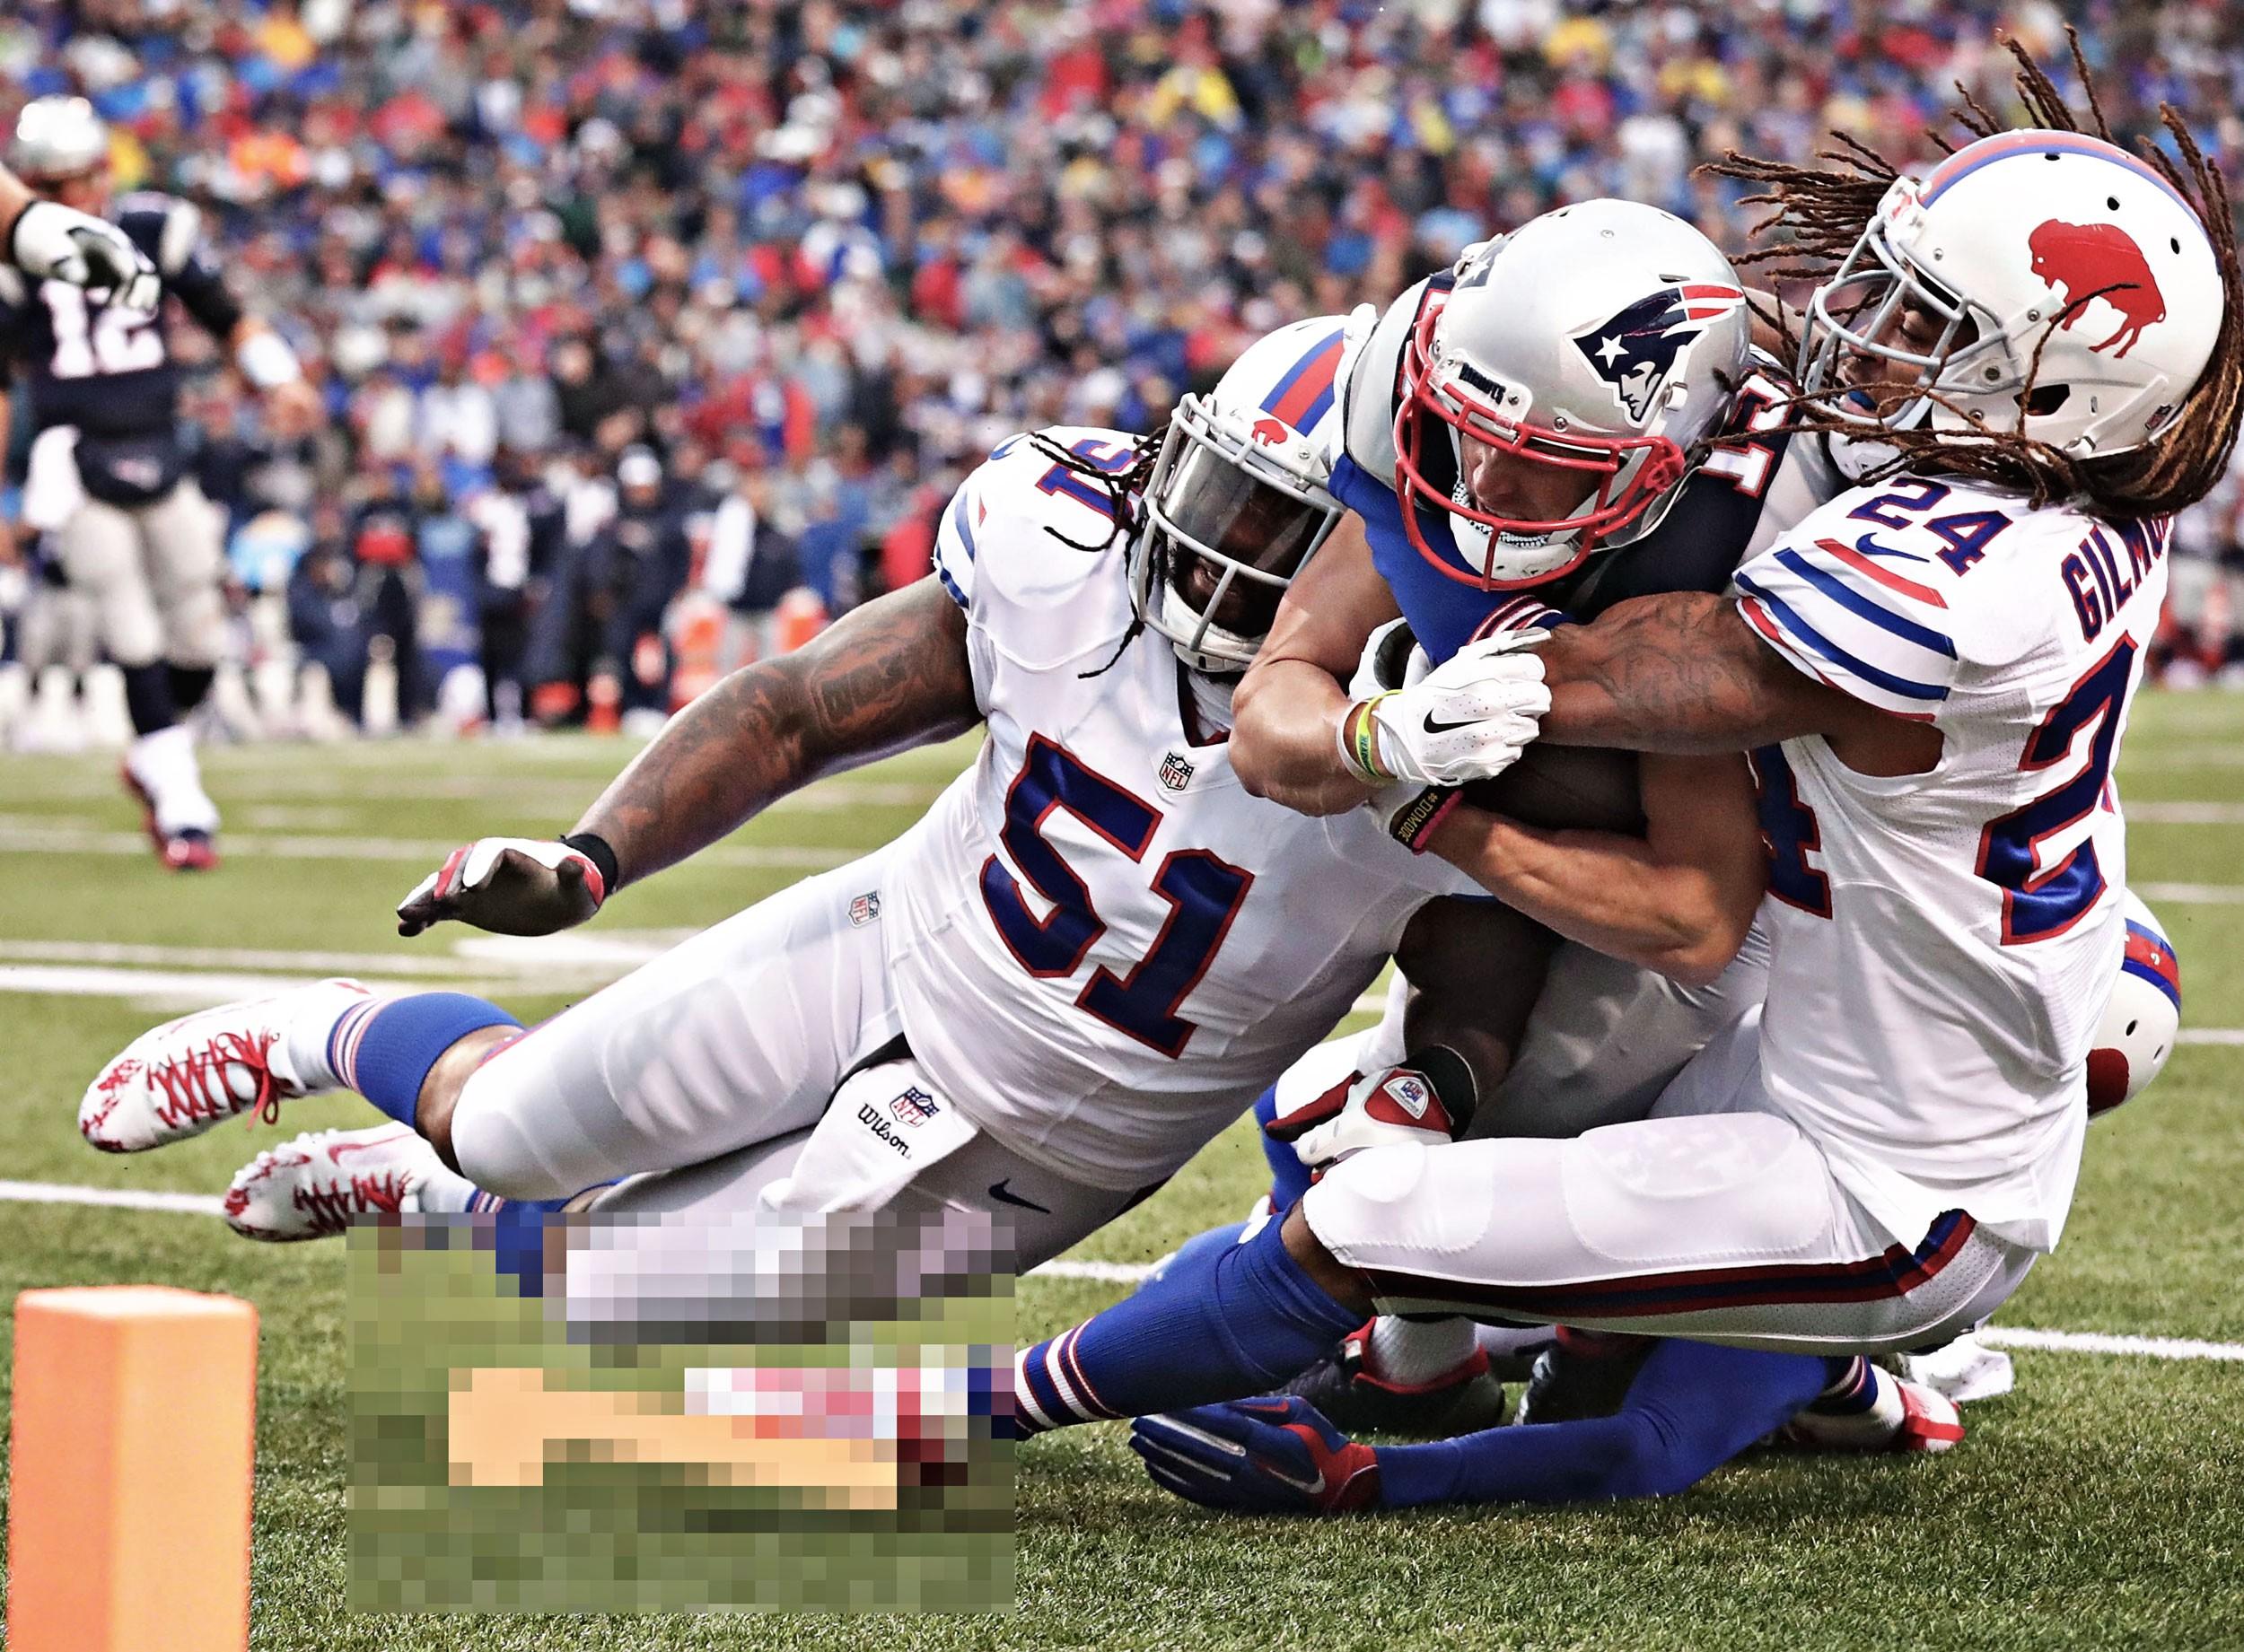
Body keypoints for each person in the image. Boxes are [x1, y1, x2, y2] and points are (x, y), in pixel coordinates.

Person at [999, 54, 2240, 1430]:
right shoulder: (1510, 396)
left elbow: (1695, 896)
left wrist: (1440, 772)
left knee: (2109, 1011)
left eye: (1920, 320)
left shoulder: (1860, 541)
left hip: (1774, 913)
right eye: (1881, 289)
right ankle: (1506, 1346)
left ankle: (1766, 1349)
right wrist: (1375, 731)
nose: (1858, 332)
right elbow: (1280, 713)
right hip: (1692, 875)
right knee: (1337, 1126)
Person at [81, 319, 1525, 1281]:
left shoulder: (1446, 721)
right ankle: (320, 1033)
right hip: (892, 948)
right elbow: (795, 713)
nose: (1214, 555)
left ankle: (412, 1189)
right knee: (512, 1125)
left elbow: (1479, 965)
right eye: (1217, 497)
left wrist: (1431, 1085)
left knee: (594, 1304)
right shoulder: (1066, 554)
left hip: (1067, 1135)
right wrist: (589, 862)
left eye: (1280, 532)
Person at [0, 97, 320, 869]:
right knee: (128, 620)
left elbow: (226, 315)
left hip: (159, 445)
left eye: (77, 179)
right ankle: (183, 803)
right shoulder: (15, 260)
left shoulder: (151, 226)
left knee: (201, 632)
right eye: (50, 185)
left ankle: (154, 751)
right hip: (75, 454)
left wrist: (278, 377)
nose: (70, 197)